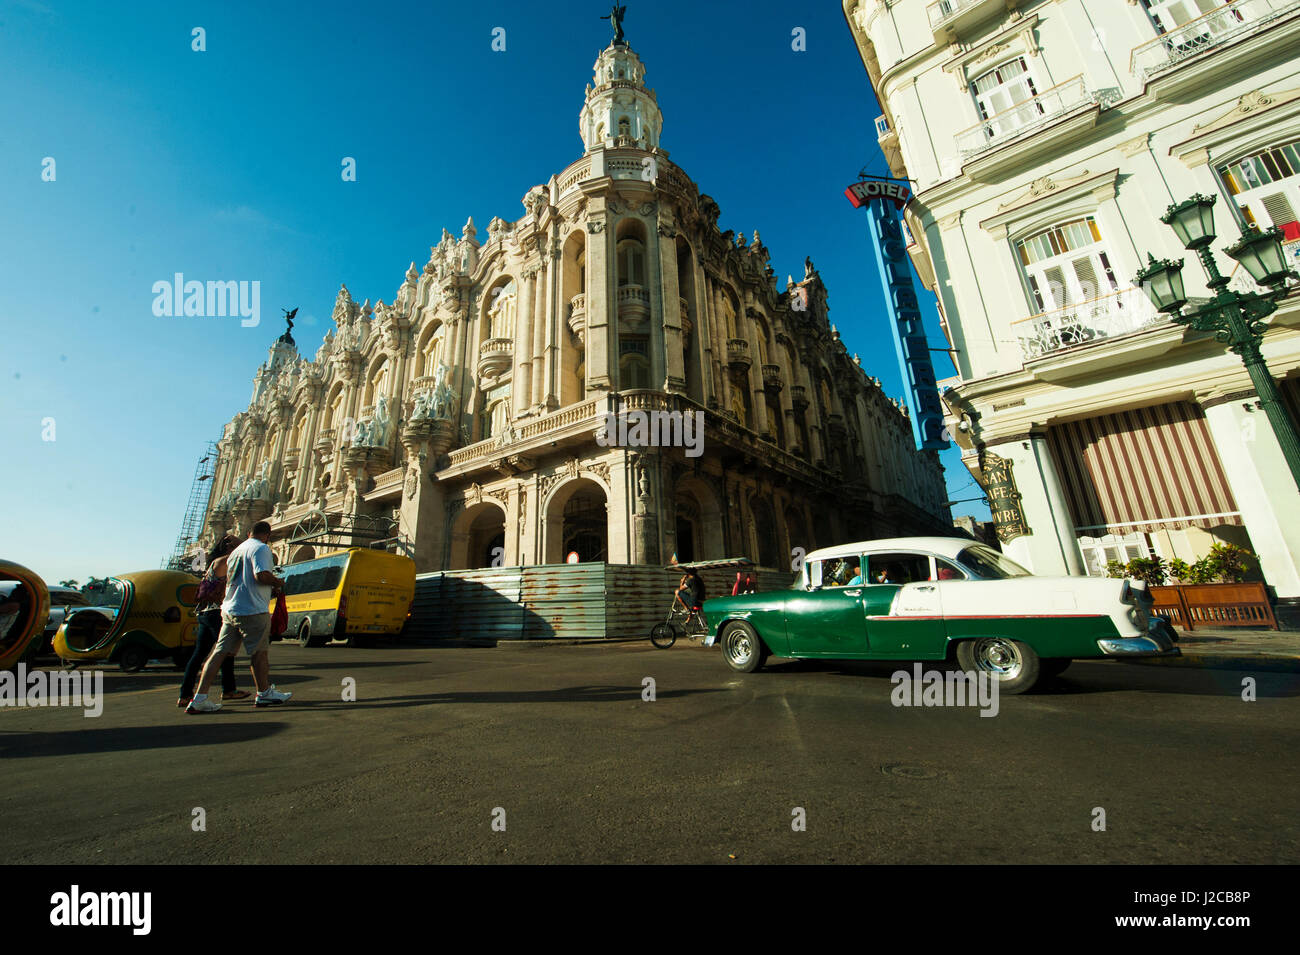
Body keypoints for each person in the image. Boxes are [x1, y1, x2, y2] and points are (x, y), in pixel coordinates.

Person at [187, 522, 290, 713]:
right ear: (267, 535)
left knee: (219, 653)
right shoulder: (261, 548)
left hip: (229, 608)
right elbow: (261, 576)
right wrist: (278, 582)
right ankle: (264, 693)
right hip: (252, 608)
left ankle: (199, 698)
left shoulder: (236, 552)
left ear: (249, 532)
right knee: (259, 653)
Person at [178, 535, 248, 707]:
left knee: (200, 654)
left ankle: (185, 695)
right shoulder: (223, 561)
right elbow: (245, 552)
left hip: (205, 612)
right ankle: (228, 690)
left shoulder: (212, 564)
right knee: (225, 650)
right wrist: (241, 543)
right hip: (216, 613)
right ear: (228, 548)